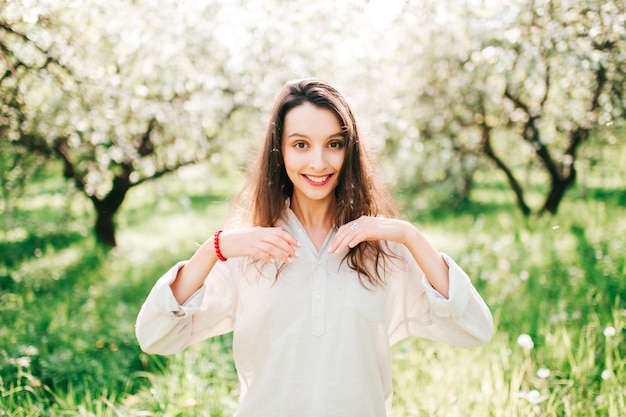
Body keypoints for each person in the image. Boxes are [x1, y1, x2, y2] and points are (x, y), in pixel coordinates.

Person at [135, 78, 494, 417]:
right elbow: (155, 336)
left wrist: (410, 237)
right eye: (301, 144)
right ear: (280, 152)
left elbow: (475, 329)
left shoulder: (382, 249)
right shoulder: (248, 248)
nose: (318, 162)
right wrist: (215, 248)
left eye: (334, 144)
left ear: (349, 151)